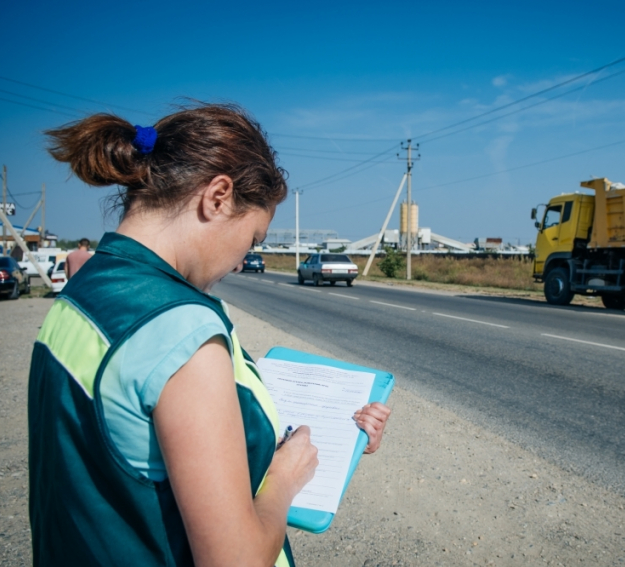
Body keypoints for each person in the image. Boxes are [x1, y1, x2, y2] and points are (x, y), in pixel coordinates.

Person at [29, 104, 391, 567]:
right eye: (254, 239)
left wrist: (340, 430)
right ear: (218, 196)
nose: (243, 261)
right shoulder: (181, 329)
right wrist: (284, 476)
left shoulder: (86, 289)